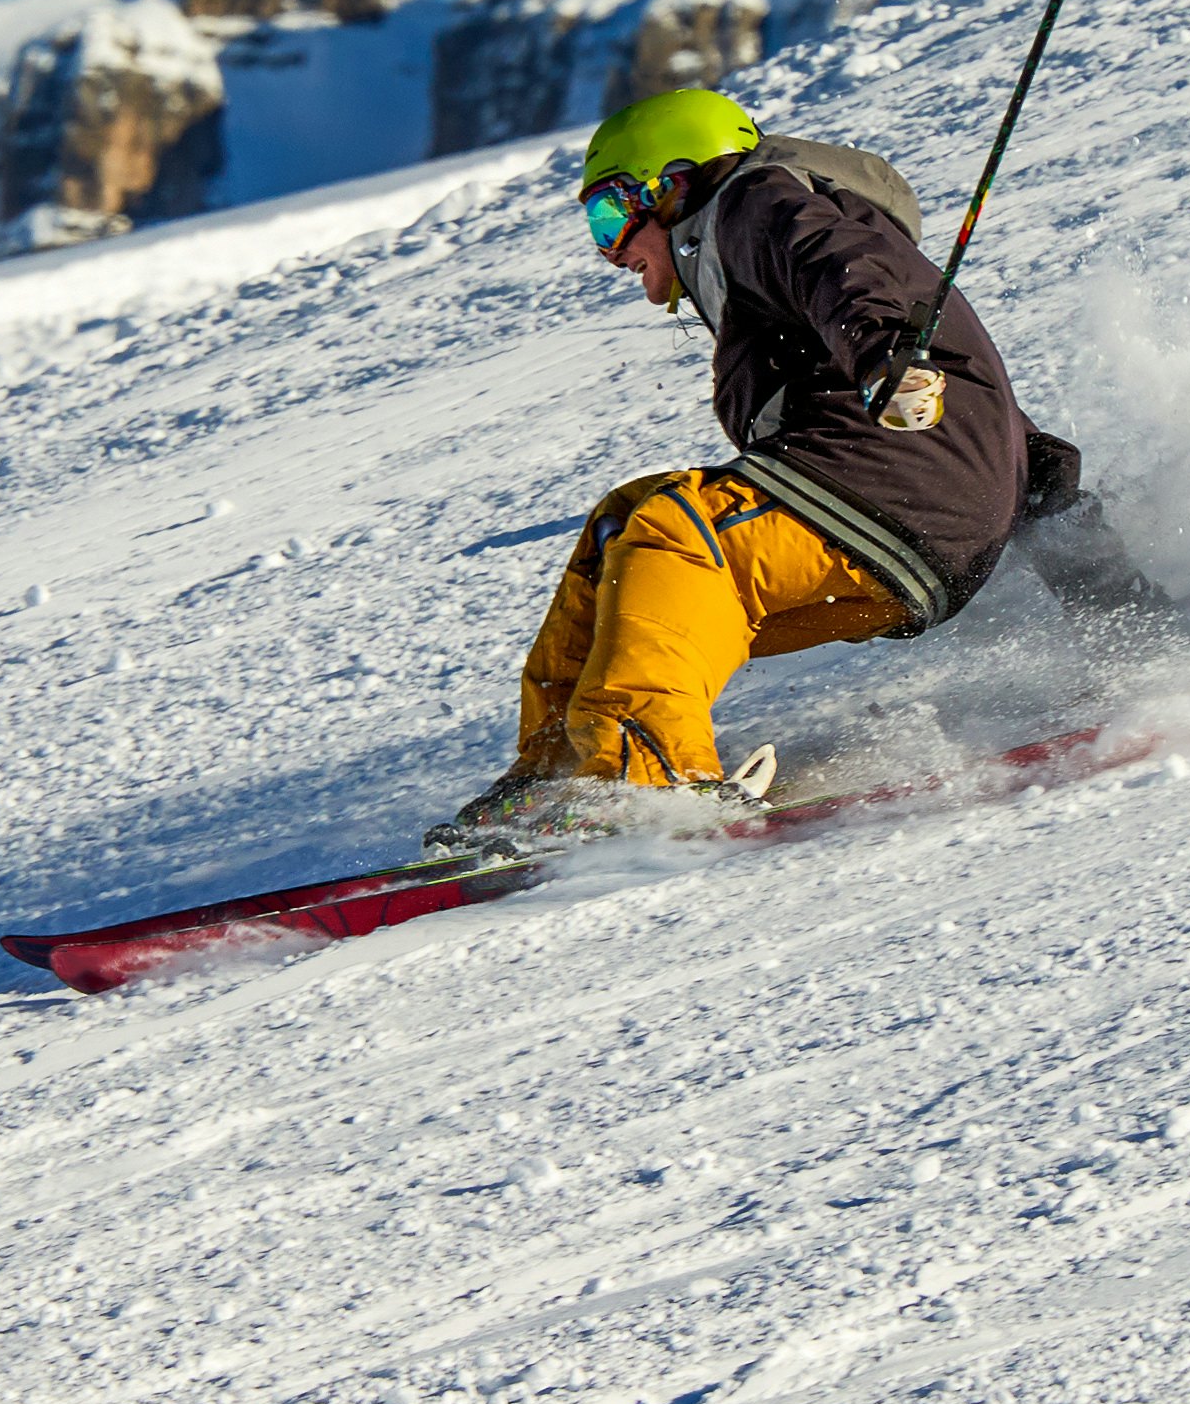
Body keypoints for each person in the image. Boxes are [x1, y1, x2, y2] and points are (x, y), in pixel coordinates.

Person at [457, 86, 1085, 848]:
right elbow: (1015, 446)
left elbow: (834, 266)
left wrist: (882, 351)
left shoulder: (756, 201)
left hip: (881, 491)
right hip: (920, 536)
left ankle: (638, 778)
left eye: (610, 213)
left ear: (673, 181)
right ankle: (558, 776)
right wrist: (1112, 589)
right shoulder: (763, 263)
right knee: (624, 519)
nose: (611, 250)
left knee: (676, 527)